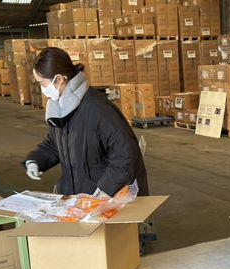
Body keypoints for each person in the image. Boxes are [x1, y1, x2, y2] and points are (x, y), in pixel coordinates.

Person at [23, 47, 148, 196]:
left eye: (43, 84)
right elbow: (55, 143)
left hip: (101, 196)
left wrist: (105, 190)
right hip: (78, 195)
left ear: (59, 79)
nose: (42, 89)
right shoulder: (60, 107)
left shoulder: (97, 109)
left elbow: (125, 155)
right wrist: (35, 160)